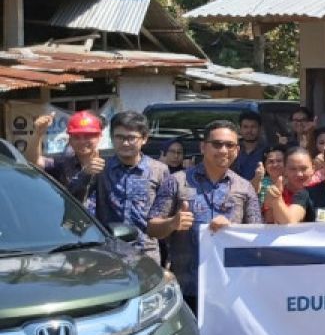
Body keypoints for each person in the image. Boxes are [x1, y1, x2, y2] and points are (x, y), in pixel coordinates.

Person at [148, 120, 262, 312]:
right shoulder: (177, 181)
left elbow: (257, 236)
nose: (224, 150)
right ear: (203, 147)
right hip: (187, 287)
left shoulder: (245, 188)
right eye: (217, 144)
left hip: (230, 288)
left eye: (230, 145)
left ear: (237, 150)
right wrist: (172, 223)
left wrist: (233, 230)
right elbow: (152, 227)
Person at [94, 111, 175, 262]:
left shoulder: (159, 170)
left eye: (131, 138)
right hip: (109, 251)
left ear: (144, 139)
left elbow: (164, 214)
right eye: (119, 137)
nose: (125, 143)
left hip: (146, 252)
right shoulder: (101, 169)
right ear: (112, 138)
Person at [26, 111, 106, 208]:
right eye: (76, 137)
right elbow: (35, 161)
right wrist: (37, 134)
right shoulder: (63, 163)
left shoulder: (110, 165)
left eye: (88, 136)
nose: (82, 141)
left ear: (99, 136)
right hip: (72, 221)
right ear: (69, 139)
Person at [264, 147, 315, 223]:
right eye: (293, 169)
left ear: (313, 169)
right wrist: (275, 200)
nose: (299, 174)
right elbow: (270, 222)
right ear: (284, 170)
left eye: (304, 168)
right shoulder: (276, 192)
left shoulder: (323, 190)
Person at [230, 110, 266, 181]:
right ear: (240, 129)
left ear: (260, 129)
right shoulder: (231, 149)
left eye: (253, 127)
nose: (249, 130)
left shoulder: (267, 151)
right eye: (245, 127)